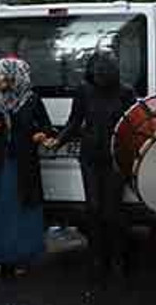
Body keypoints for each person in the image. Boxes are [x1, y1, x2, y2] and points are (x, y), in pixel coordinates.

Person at [54, 51, 136, 275]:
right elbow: (74, 122)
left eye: (104, 75)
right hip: (90, 156)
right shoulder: (84, 91)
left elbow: (133, 125)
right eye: (97, 75)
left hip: (115, 157)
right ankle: (97, 257)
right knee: (93, 208)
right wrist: (59, 141)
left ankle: (118, 257)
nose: (100, 79)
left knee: (112, 211)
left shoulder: (126, 92)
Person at [0, 58, 55, 276]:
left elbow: (46, 126)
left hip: (23, 164)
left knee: (22, 208)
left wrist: (41, 134)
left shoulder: (31, 100)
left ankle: (20, 256)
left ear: (13, 76)